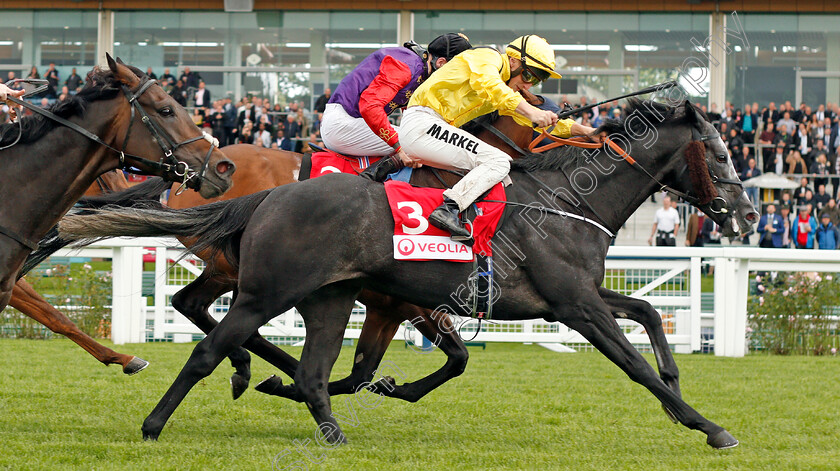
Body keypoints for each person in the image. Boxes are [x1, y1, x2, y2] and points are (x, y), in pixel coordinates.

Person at [400, 35, 599, 239]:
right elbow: (492, 86)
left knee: (498, 173)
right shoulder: (488, 57)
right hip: (424, 124)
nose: (528, 85)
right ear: (513, 61)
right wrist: (533, 113)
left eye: (537, 80)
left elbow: (532, 123)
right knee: (499, 161)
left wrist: (587, 132)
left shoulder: (502, 94)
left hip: (430, 129)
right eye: (529, 76)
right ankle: (448, 209)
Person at [321, 33, 473, 165]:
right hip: (343, 124)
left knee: (424, 137)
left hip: (353, 123)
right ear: (441, 63)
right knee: (423, 142)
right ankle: (375, 176)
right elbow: (370, 107)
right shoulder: (405, 66)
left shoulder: (420, 68)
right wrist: (399, 148)